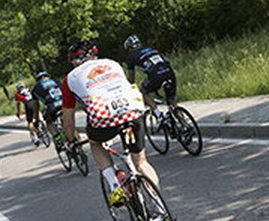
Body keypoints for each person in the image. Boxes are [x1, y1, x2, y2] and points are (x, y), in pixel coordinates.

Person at [60, 40, 159, 205]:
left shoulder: (70, 78)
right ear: (94, 54)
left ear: (74, 61)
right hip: (133, 109)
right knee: (141, 162)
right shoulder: (111, 63)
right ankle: (159, 207)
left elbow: (68, 118)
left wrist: (70, 140)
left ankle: (115, 187)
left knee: (96, 143)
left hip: (104, 116)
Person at [123, 35, 178, 114]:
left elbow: (131, 79)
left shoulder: (130, 57)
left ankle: (158, 114)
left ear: (129, 48)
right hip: (169, 72)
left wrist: (128, 87)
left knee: (143, 92)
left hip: (156, 75)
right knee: (172, 101)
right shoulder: (151, 49)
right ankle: (185, 124)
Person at [32, 71, 64, 145]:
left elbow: (36, 107)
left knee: (49, 122)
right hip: (64, 104)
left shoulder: (36, 88)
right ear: (48, 77)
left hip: (52, 106)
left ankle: (58, 138)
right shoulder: (56, 81)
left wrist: (36, 120)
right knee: (67, 121)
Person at [13, 81, 43, 146]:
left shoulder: (18, 94)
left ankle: (35, 137)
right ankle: (40, 125)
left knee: (30, 122)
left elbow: (18, 104)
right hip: (35, 103)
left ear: (18, 89)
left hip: (28, 105)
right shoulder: (30, 90)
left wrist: (19, 112)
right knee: (38, 113)